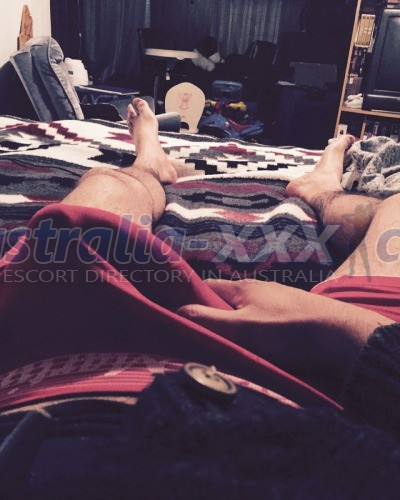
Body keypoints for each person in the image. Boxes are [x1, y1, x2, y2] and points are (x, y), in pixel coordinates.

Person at [0, 98, 400, 496]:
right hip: (345, 387)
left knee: (105, 187)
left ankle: (148, 165)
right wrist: (344, 329)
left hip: (44, 362)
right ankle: (324, 191)